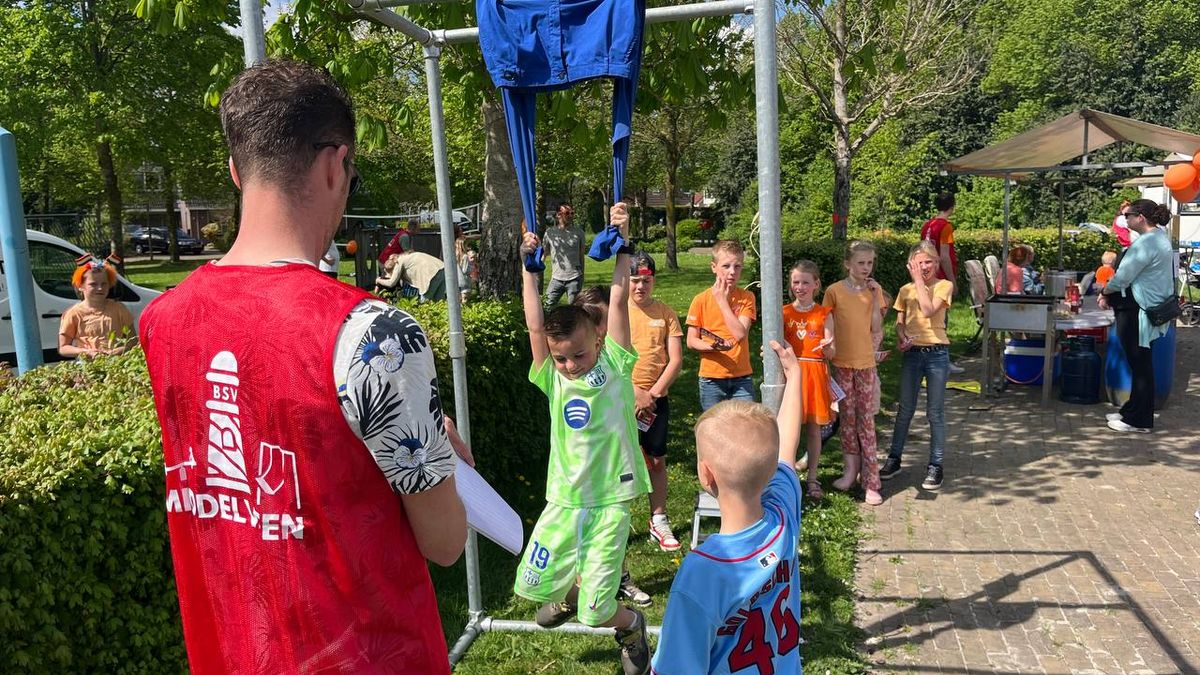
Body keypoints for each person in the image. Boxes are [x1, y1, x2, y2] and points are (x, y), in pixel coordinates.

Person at [139, 60, 469, 675]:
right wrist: (431, 451)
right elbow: (446, 543)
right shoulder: (375, 334)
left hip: (233, 651)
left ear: (237, 171)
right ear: (332, 165)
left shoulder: (161, 319)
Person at [513, 202, 652, 675]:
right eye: (561, 358)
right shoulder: (553, 378)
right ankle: (569, 595)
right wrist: (529, 270)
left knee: (599, 610)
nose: (570, 365)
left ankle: (630, 626)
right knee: (532, 585)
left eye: (576, 355)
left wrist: (623, 247)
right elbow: (535, 325)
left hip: (610, 499)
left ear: (596, 339)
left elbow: (617, 301)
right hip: (564, 499)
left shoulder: (614, 363)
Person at [650, 340, 803, 674]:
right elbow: (787, 449)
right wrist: (796, 377)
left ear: (706, 474)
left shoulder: (701, 573)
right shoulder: (784, 515)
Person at [568, 283, 657, 607]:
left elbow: (617, 376)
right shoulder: (572, 360)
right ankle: (582, 584)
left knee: (615, 525)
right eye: (597, 321)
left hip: (614, 461)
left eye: (606, 321)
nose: (604, 328)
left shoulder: (612, 353)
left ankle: (618, 579)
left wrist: (634, 391)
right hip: (581, 463)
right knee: (583, 525)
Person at [880, 241, 954, 490]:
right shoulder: (905, 290)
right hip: (913, 354)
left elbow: (928, 309)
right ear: (912, 264)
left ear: (937, 263)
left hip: (937, 354)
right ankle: (894, 458)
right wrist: (901, 336)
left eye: (930, 261)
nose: (925, 267)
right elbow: (900, 321)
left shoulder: (944, 286)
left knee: (935, 412)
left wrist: (920, 283)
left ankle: (935, 465)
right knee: (905, 409)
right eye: (920, 262)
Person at [1099, 199, 1175, 433]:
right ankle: (1132, 409)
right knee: (1140, 363)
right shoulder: (1159, 238)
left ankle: (1139, 420)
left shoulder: (1147, 243)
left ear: (1140, 217)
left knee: (1140, 364)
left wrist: (1104, 291)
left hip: (1138, 310)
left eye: (1128, 215)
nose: (1126, 220)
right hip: (1147, 307)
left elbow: (1123, 277)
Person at [626, 251, 684, 551]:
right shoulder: (617, 313)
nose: (640, 287)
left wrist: (653, 393)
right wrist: (634, 393)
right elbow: (607, 356)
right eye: (634, 280)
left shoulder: (666, 313)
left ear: (653, 281)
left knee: (656, 460)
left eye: (645, 281)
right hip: (623, 399)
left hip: (656, 400)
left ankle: (658, 518)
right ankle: (616, 520)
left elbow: (675, 361)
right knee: (618, 462)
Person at [822, 241, 886, 506]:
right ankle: (850, 471)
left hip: (866, 363)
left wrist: (874, 298)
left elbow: (876, 326)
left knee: (866, 421)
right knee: (846, 418)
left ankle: (872, 481)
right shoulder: (834, 291)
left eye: (870, 263)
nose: (866, 268)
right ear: (848, 264)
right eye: (861, 263)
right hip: (841, 363)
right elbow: (827, 323)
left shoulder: (873, 291)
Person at [782, 260, 835, 501]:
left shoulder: (824, 313)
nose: (800, 287)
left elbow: (832, 350)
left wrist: (828, 347)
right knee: (788, 427)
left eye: (805, 282)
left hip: (815, 373)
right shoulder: (783, 312)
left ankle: (812, 478)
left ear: (816, 284)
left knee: (814, 429)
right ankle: (787, 474)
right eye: (796, 282)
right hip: (792, 374)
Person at [686, 240, 757, 410]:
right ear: (714, 267)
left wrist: (722, 301)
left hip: (741, 377)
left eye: (737, 266)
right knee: (713, 429)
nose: (732, 272)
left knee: (744, 427)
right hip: (711, 378)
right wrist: (714, 346)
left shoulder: (747, 297)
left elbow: (740, 334)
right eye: (726, 266)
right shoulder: (700, 300)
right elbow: (691, 341)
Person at [59, 258, 137, 358]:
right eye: (93, 284)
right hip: (88, 367)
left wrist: (116, 351)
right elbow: (63, 348)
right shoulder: (73, 313)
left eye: (104, 284)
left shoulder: (119, 309)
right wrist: (86, 352)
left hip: (117, 365)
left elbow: (133, 341)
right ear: (80, 286)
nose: (100, 288)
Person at [920, 192, 963, 374]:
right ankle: (942, 360)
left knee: (927, 318)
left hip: (925, 275)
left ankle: (927, 356)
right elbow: (944, 256)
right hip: (941, 276)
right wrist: (952, 281)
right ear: (952, 206)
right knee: (941, 319)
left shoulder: (926, 225)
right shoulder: (946, 227)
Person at [543, 202, 586, 306]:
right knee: (547, 306)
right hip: (556, 279)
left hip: (574, 278)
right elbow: (544, 253)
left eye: (572, 213)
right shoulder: (549, 233)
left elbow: (581, 255)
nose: (570, 216)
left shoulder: (579, 232)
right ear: (558, 215)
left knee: (574, 311)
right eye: (567, 213)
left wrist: (582, 275)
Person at [376, 250, 447, 301]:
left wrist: (378, 280)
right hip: (442, 269)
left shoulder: (399, 261)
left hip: (431, 275)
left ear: (394, 258)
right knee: (439, 302)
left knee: (425, 303)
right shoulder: (410, 256)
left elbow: (391, 283)